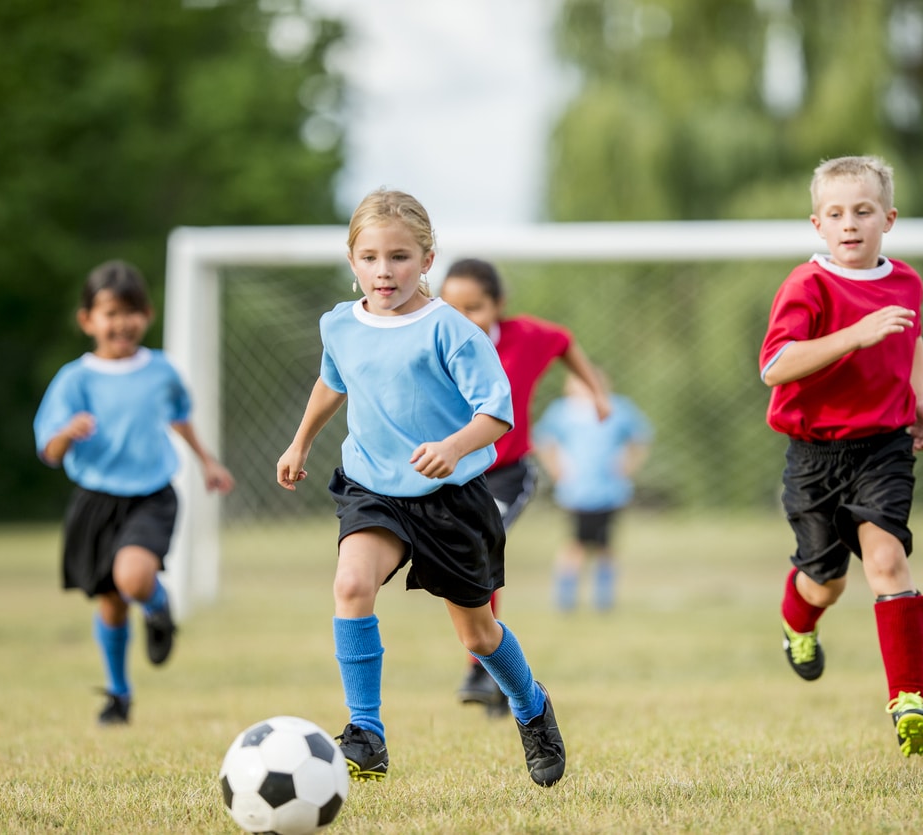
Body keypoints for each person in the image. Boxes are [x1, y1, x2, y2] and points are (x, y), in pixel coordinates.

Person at [275, 189, 565, 787]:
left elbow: (497, 412)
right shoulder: (339, 325)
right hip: (372, 488)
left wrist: (453, 447)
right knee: (352, 583)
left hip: (450, 499)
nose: (386, 271)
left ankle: (531, 707)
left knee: (478, 632)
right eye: (372, 257)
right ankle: (366, 733)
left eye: (401, 257)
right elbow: (333, 383)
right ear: (352, 260)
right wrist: (300, 441)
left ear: (428, 259)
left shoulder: (452, 331)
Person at [759, 155, 923, 757]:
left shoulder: (906, 281)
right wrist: (853, 335)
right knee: (824, 583)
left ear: (888, 218)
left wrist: (922, 397)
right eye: (836, 214)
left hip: (884, 447)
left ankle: (910, 699)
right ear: (817, 224)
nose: (850, 224)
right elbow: (775, 366)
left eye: (863, 211)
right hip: (814, 456)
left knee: (886, 562)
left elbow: (909, 336)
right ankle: (797, 622)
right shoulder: (806, 285)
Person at [34, 260, 234, 726]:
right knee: (111, 601)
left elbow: (178, 415)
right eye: (109, 313)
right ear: (87, 320)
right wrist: (67, 433)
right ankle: (119, 694)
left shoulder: (161, 370)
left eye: (131, 311)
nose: (121, 322)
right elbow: (48, 449)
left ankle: (160, 607)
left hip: (151, 495)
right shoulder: (75, 379)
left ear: (147, 315)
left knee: (134, 579)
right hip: (97, 499)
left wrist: (207, 461)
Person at [440, 257, 609, 716]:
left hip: (507, 472)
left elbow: (565, 343)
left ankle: (481, 667)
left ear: (498, 305)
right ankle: (499, 675)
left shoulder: (526, 338)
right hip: (454, 473)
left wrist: (594, 390)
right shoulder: (435, 341)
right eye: (452, 307)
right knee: (462, 560)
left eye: (474, 307)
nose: (463, 318)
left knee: (474, 544)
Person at [534, 370, 652, 612]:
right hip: (577, 492)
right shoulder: (563, 411)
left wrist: (628, 465)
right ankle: (566, 600)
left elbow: (640, 437)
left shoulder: (617, 408)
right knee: (575, 544)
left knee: (605, 546)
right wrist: (556, 469)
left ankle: (603, 600)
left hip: (609, 491)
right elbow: (543, 440)